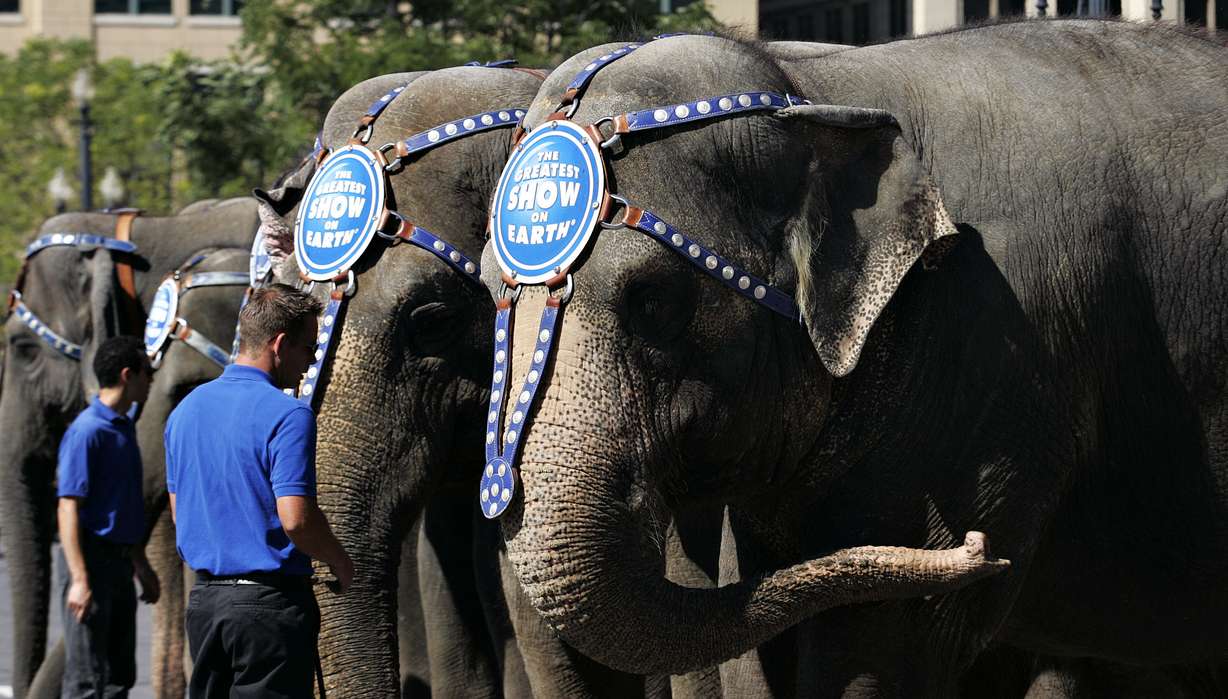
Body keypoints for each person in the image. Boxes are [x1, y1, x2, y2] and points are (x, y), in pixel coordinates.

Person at [165, 283, 354, 698]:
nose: (310, 362)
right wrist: (339, 560)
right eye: (308, 347)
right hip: (268, 609)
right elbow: (296, 519)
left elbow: (181, 513)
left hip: (205, 606)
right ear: (280, 344)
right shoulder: (289, 415)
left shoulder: (185, 411)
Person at [57, 335, 161, 699]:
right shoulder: (87, 432)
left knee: (120, 677)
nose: (152, 379)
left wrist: (140, 565)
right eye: (148, 372)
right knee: (86, 680)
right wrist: (79, 579)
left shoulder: (123, 425)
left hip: (119, 563)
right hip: (90, 561)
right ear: (127, 375)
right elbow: (68, 506)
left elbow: (121, 506)